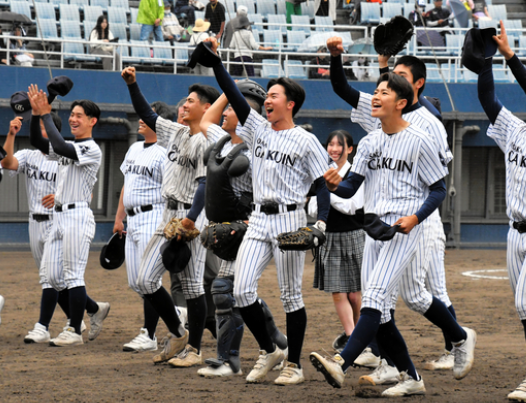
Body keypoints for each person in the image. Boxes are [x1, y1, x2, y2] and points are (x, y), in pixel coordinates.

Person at [309, 71, 471, 397]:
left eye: (384, 92)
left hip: (403, 228)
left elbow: (438, 190)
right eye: (376, 91)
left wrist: (416, 217)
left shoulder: (420, 140)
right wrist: (335, 185)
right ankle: (412, 376)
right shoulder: (369, 142)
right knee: (381, 313)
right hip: (374, 227)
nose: (376, 96)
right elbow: (352, 185)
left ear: (400, 103)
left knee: (375, 297)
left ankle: (341, 362)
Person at [204, 36, 331, 385]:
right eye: (267, 97)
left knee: (291, 295)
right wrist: (216, 62)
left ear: (290, 104)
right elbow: (232, 92)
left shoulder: (306, 140)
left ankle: (294, 364)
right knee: (242, 290)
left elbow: (322, 186)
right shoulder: (258, 130)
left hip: (291, 218)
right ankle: (269, 349)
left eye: (273, 96)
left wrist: (320, 222)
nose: (266, 101)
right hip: (259, 218)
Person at [121, 66, 220, 367]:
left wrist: (191, 219)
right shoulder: (177, 131)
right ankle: (178, 332)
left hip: (191, 215)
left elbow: (205, 183)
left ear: (206, 107)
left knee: (192, 287)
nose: (184, 104)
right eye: (184, 100)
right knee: (144, 280)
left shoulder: (207, 140)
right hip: (168, 214)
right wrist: (133, 85)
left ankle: (194, 349)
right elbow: (149, 117)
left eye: (191, 100)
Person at [197, 80, 288, 378]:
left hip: (249, 227)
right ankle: (276, 339)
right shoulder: (224, 140)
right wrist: (229, 89)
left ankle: (228, 361)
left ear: (246, 113)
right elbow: (207, 119)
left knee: (225, 291)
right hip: (226, 228)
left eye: (232, 108)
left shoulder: (258, 146)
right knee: (239, 292)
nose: (224, 113)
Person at [28, 88, 110, 347]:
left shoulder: (91, 149)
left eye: (79, 116)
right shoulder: (71, 146)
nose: (73, 119)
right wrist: (36, 115)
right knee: (51, 276)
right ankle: (94, 308)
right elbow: (38, 142)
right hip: (59, 218)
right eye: (72, 115)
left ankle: (74, 330)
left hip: (77, 216)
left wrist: (47, 114)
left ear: (92, 121)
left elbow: (60, 146)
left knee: (73, 276)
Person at [1, 113, 86, 344]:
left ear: (53, 130)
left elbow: (82, 186)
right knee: (52, 277)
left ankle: (43, 327)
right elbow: (7, 163)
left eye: (41, 126)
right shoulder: (28, 155)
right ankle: (84, 313)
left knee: (49, 278)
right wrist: (10, 134)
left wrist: (59, 195)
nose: (37, 131)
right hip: (34, 222)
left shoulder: (65, 155)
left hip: (57, 220)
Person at [476, 21, 526, 401]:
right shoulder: (516, 130)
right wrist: (487, 61)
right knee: (522, 309)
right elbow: (489, 101)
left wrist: (511, 56)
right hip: (514, 232)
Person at [113, 102, 173, 353]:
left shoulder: (165, 152)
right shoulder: (135, 148)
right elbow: (127, 186)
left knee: (148, 279)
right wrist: (119, 218)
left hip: (154, 215)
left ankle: (148, 334)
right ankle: (175, 314)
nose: (140, 119)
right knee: (136, 282)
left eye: (147, 117)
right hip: (133, 219)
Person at [308, 130, 364, 350]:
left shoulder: (355, 174)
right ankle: (351, 337)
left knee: (353, 294)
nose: (333, 149)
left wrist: (327, 195)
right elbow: (312, 208)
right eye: (330, 144)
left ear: (349, 149)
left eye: (339, 145)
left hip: (354, 236)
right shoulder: (322, 172)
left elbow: (352, 207)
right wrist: (328, 197)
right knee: (338, 291)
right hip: (329, 238)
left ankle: (360, 333)